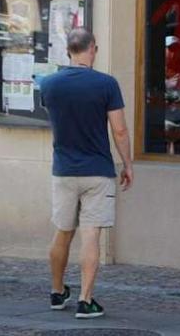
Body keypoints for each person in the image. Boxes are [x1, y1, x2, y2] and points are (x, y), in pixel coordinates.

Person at [39, 28, 134, 319]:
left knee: (63, 232)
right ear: (92, 48)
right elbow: (118, 129)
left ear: (68, 49)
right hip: (97, 171)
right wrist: (128, 164)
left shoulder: (49, 84)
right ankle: (85, 299)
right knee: (90, 235)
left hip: (64, 169)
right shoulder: (106, 84)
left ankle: (57, 292)